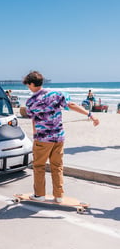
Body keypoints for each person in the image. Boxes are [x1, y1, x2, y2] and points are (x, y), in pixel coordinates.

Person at [22, 71, 99, 203]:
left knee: (39, 166)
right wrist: (90, 115)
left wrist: (35, 134)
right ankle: (58, 196)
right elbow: (71, 105)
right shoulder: (57, 94)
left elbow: (33, 119)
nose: (28, 87)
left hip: (43, 139)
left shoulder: (31, 101)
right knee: (57, 166)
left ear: (33, 84)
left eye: (28, 85)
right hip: (58, 137)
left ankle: (39, 195)